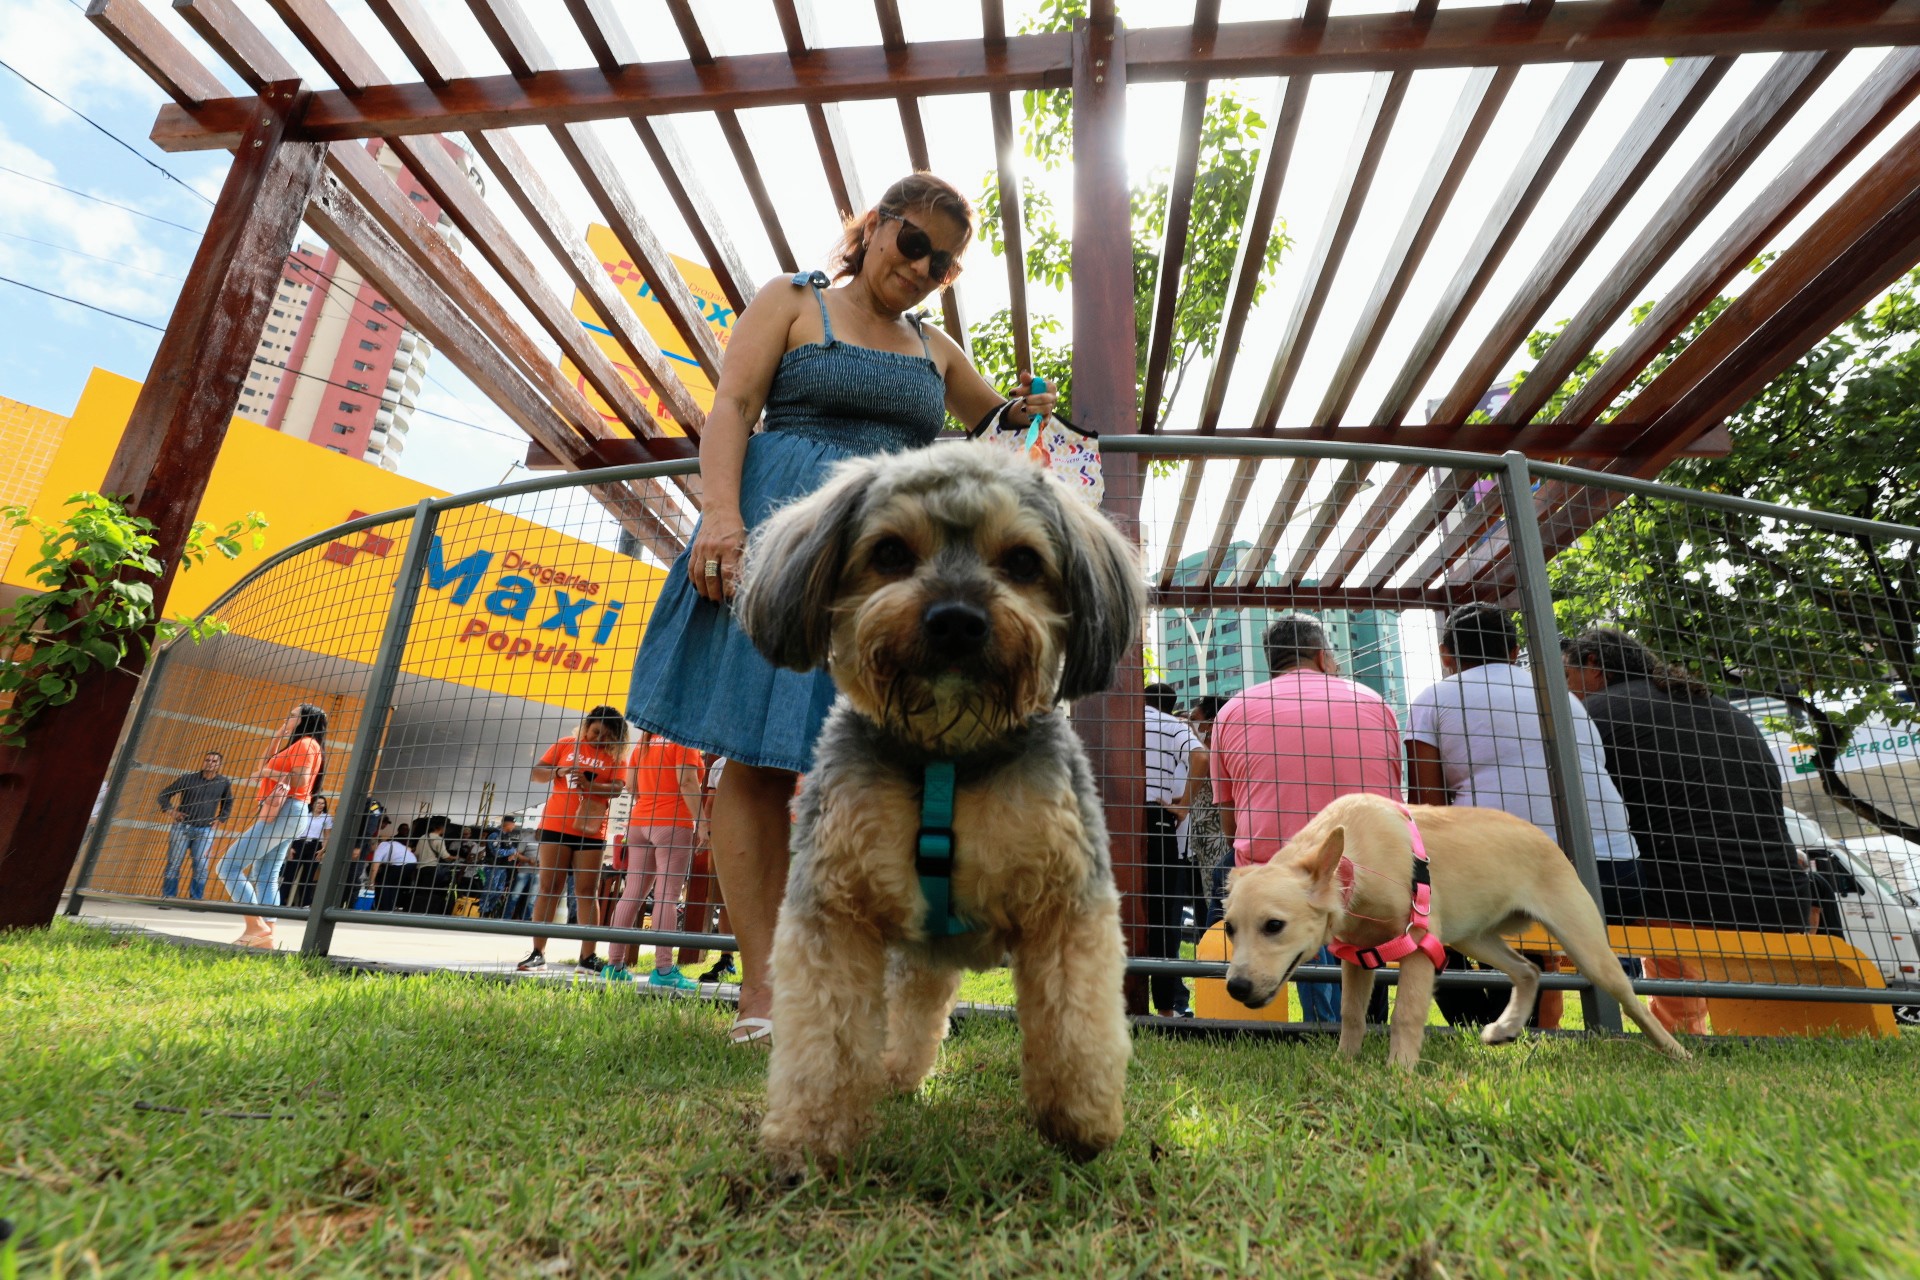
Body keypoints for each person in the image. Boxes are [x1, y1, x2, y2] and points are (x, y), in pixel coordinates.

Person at [624, 173, 1054, 1046]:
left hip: (886, 569)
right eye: (915, 243)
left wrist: (1024, 415)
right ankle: (766, 997)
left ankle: (889, 990)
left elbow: (998, 426)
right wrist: (720, 515)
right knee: (756, 760)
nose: (925, 266)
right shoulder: (791, 299)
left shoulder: (936, 350)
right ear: (875, 228)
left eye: (944, 262)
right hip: (783, 541)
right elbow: (735, 406)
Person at [1563, 627, 1819, 1035]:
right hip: (1783, 899)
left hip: (1683, 898)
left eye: (1568, 676)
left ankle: (1678, 1034)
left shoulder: (1597, 713)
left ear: (1592, 665)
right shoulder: (1719, 707)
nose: (1570, 690)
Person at [1405, 604, 1641, 1030]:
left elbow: (1426, 807)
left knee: (1421, 913)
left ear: (1445, 655)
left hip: (1521, 886)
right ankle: (1512, 1021)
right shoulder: (1561, 694)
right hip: (1616, 874)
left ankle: (1482, 1023)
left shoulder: (1432, 699)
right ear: (1514, 651)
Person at [1209, 615, 1401, 1024]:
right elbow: (1394, 802)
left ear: (1271, 663)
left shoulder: (1232, 711)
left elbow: (1229, 821)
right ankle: (1369, 1018)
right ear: (1322, 656)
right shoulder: (1375, 702)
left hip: (1272, 864)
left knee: (1236, 875)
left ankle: (1323, 1022)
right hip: (1370, 872)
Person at [520, 707, 628, 972]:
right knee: (549, 886)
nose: (599, 740)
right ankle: (537, 952)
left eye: (607, 736)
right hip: (555, 825)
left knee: (586, 891)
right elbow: (537, 773)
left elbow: (617, 788)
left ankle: (587, 957)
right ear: (586, 726)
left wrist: (592, 786)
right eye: (595, 732)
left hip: (591, 829)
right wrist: (559, 771)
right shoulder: (566, 744)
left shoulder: (616, 757)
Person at [216, 703, 327, 948]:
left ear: (304, 720)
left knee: (227, 866)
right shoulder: (299, 744)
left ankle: (256, 927)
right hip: (289, 813)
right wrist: (278, 737)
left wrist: (266, 772)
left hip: (286, 811)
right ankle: (266, 937)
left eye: (292, 716)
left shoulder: (307, 744)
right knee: (266, 875)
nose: (287, 718)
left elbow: (301, 780)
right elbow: (267, 762)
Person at [607, 731, 708, 987]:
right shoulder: (684, 739)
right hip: (673, 822)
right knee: (667, 896)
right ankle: (664, 970)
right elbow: (686, 781)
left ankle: (613, 966)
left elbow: (631, 786)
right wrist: (703, 822)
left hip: (639, 822)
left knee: (631, 893)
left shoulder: (643, 742)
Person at [1144, 682, 1205, 1017]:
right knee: (1164, 920)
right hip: (1161, 824)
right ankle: (1166, 1008)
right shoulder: (1170, 725)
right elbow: (1200, 756)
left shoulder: (1124, 721)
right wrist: (1183, 806)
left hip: (1115, 818)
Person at [156, 750, 233, 901]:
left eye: (214, 761)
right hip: (181, 828)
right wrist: (172, 812)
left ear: (219, 765)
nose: (210, 763)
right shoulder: (188, 779)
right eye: (207, 760)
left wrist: (221, 819)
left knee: (202, 867)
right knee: (174, 864)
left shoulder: (223, 782)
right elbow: (163, 795)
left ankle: (196, 900)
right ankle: (169, 897)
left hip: (205, 831)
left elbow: (228, 802)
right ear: (203, 762)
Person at [1183, 697, 1233, 930]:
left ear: (1212, 723)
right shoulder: (1200, 751)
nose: (1190, 724)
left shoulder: (1223, 751)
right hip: (1203, 839)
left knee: (1222, 898)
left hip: (1222, 837)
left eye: (1195, 720)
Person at [278, 795, 332, 908]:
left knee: (308, 877)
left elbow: (327, 835)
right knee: (290, 875)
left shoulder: (326, 817)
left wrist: (323, 850)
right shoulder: (305, 815)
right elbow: (293, 831)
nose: (320, 805)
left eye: (323, 803)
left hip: (315, 846)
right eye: (318, 803)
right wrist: (290, 847)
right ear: (312, 804)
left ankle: (306, 903)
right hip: (299, 844)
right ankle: (280, 901)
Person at [367, 817, 417, 913]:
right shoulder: (390, 843)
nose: (371, 851)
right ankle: (390, 907)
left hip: (402, 864)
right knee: (392, 885)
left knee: (385, 884)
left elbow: (375, 867)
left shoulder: (380, 848)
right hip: (412, 862)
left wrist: (371, 882)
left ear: (373, 845)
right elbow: (409, 849)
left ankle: (384, 909)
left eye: (370, 849)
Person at [479, 816, 523, 918]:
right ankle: (483, 912)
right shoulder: (495, 835)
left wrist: (512, 854)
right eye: (513, 823)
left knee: (498, 891)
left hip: (502, 867)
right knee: (490, 890)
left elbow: (510, 849)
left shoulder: (506, 836)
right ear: (508, 824)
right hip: (493, 867)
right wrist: (511, 852)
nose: (514, 826)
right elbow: (496, 852)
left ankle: (490, 911)